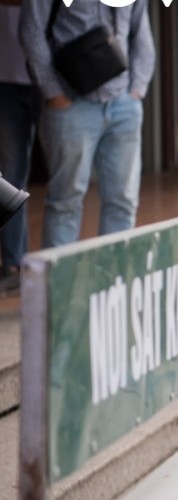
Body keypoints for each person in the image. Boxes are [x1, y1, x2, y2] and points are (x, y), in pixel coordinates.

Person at [20, 0, 155, 248]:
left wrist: (137, 90)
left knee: (123, 201)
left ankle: (114, 281)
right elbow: (31, 30)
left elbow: (141, 32)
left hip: (123, 104)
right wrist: (54, 94)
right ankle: (61, 285)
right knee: (65, 202)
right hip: (71, 103)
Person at [0, 0, 39, 296]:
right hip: (5, 80)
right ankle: (13, 264)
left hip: (55, 76)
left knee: (68, 188)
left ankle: (61, 266)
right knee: (11, 176)